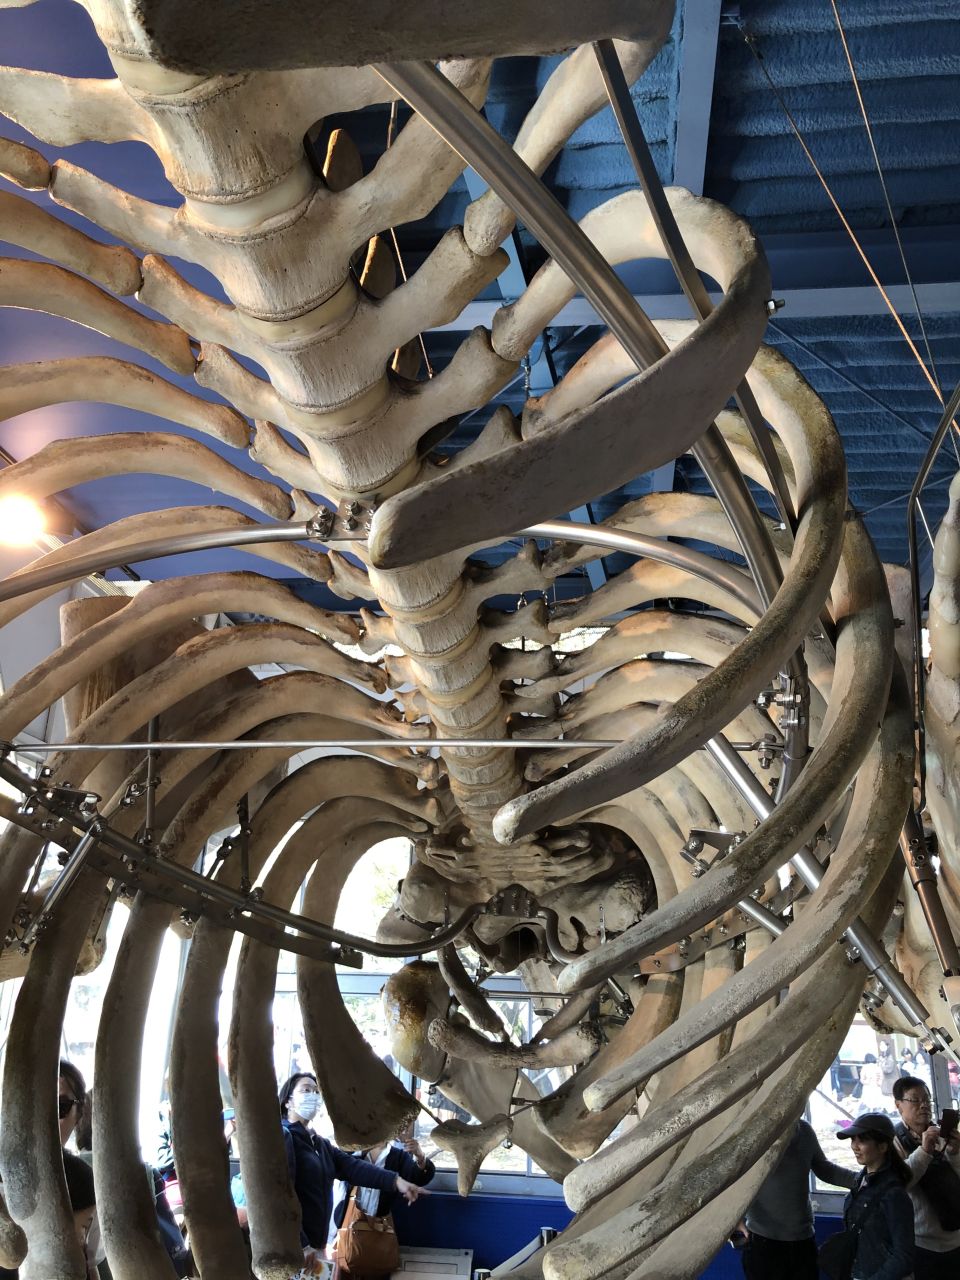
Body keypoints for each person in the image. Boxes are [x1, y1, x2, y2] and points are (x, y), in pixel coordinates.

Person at [279, 1073, 428, 1273]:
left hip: (315, 1245)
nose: (313, 1096)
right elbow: (280, 1195)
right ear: (288, 1102)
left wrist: (397, 1181)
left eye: (316, 1091)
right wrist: (301, 1242)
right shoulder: (284, 1137)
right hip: (294, 1246)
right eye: (306, 1090)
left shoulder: (319, 1144)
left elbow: (353, 1168)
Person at [736, 1117, 857, 1279]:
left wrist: (863, 1180)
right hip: (763, 1241)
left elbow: (824, 1168)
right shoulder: (751, 1133)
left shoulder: (804, 1130)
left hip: (803, 1241)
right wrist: (734, 1221)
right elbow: (730, 1179)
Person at [332, 1122, 435, 1279]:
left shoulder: (398, 1156)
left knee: (375, 1268)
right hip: (347, 1222)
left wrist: (420, 1157)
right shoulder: (352, 1151)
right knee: (343, 1268)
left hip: (378, 1225)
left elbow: (419, 1177)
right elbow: (340, 1167)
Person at [892, 1075, 960, 1277]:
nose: (923, 1105)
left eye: (927, 1099)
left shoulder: (942, 1134)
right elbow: (900, 1184)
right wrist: (924, 1151)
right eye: (915, 1100)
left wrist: (955, 1153)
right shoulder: (892, 1141)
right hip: (921, 1242)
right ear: (898, 1105)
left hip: (956, 1237)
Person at [835, 1112, 914, 1280]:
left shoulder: (893, 1194)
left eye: (862, 1140)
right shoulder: (860, 1183)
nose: (854, 1146)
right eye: (853, 1139)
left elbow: (904, 1256)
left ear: (883, 1147)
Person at [58, 1060, 100, 1280]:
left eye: (60, 1106)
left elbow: (86, 1258)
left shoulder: (82, 1179)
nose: (44, 1116)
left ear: (78, 1114)